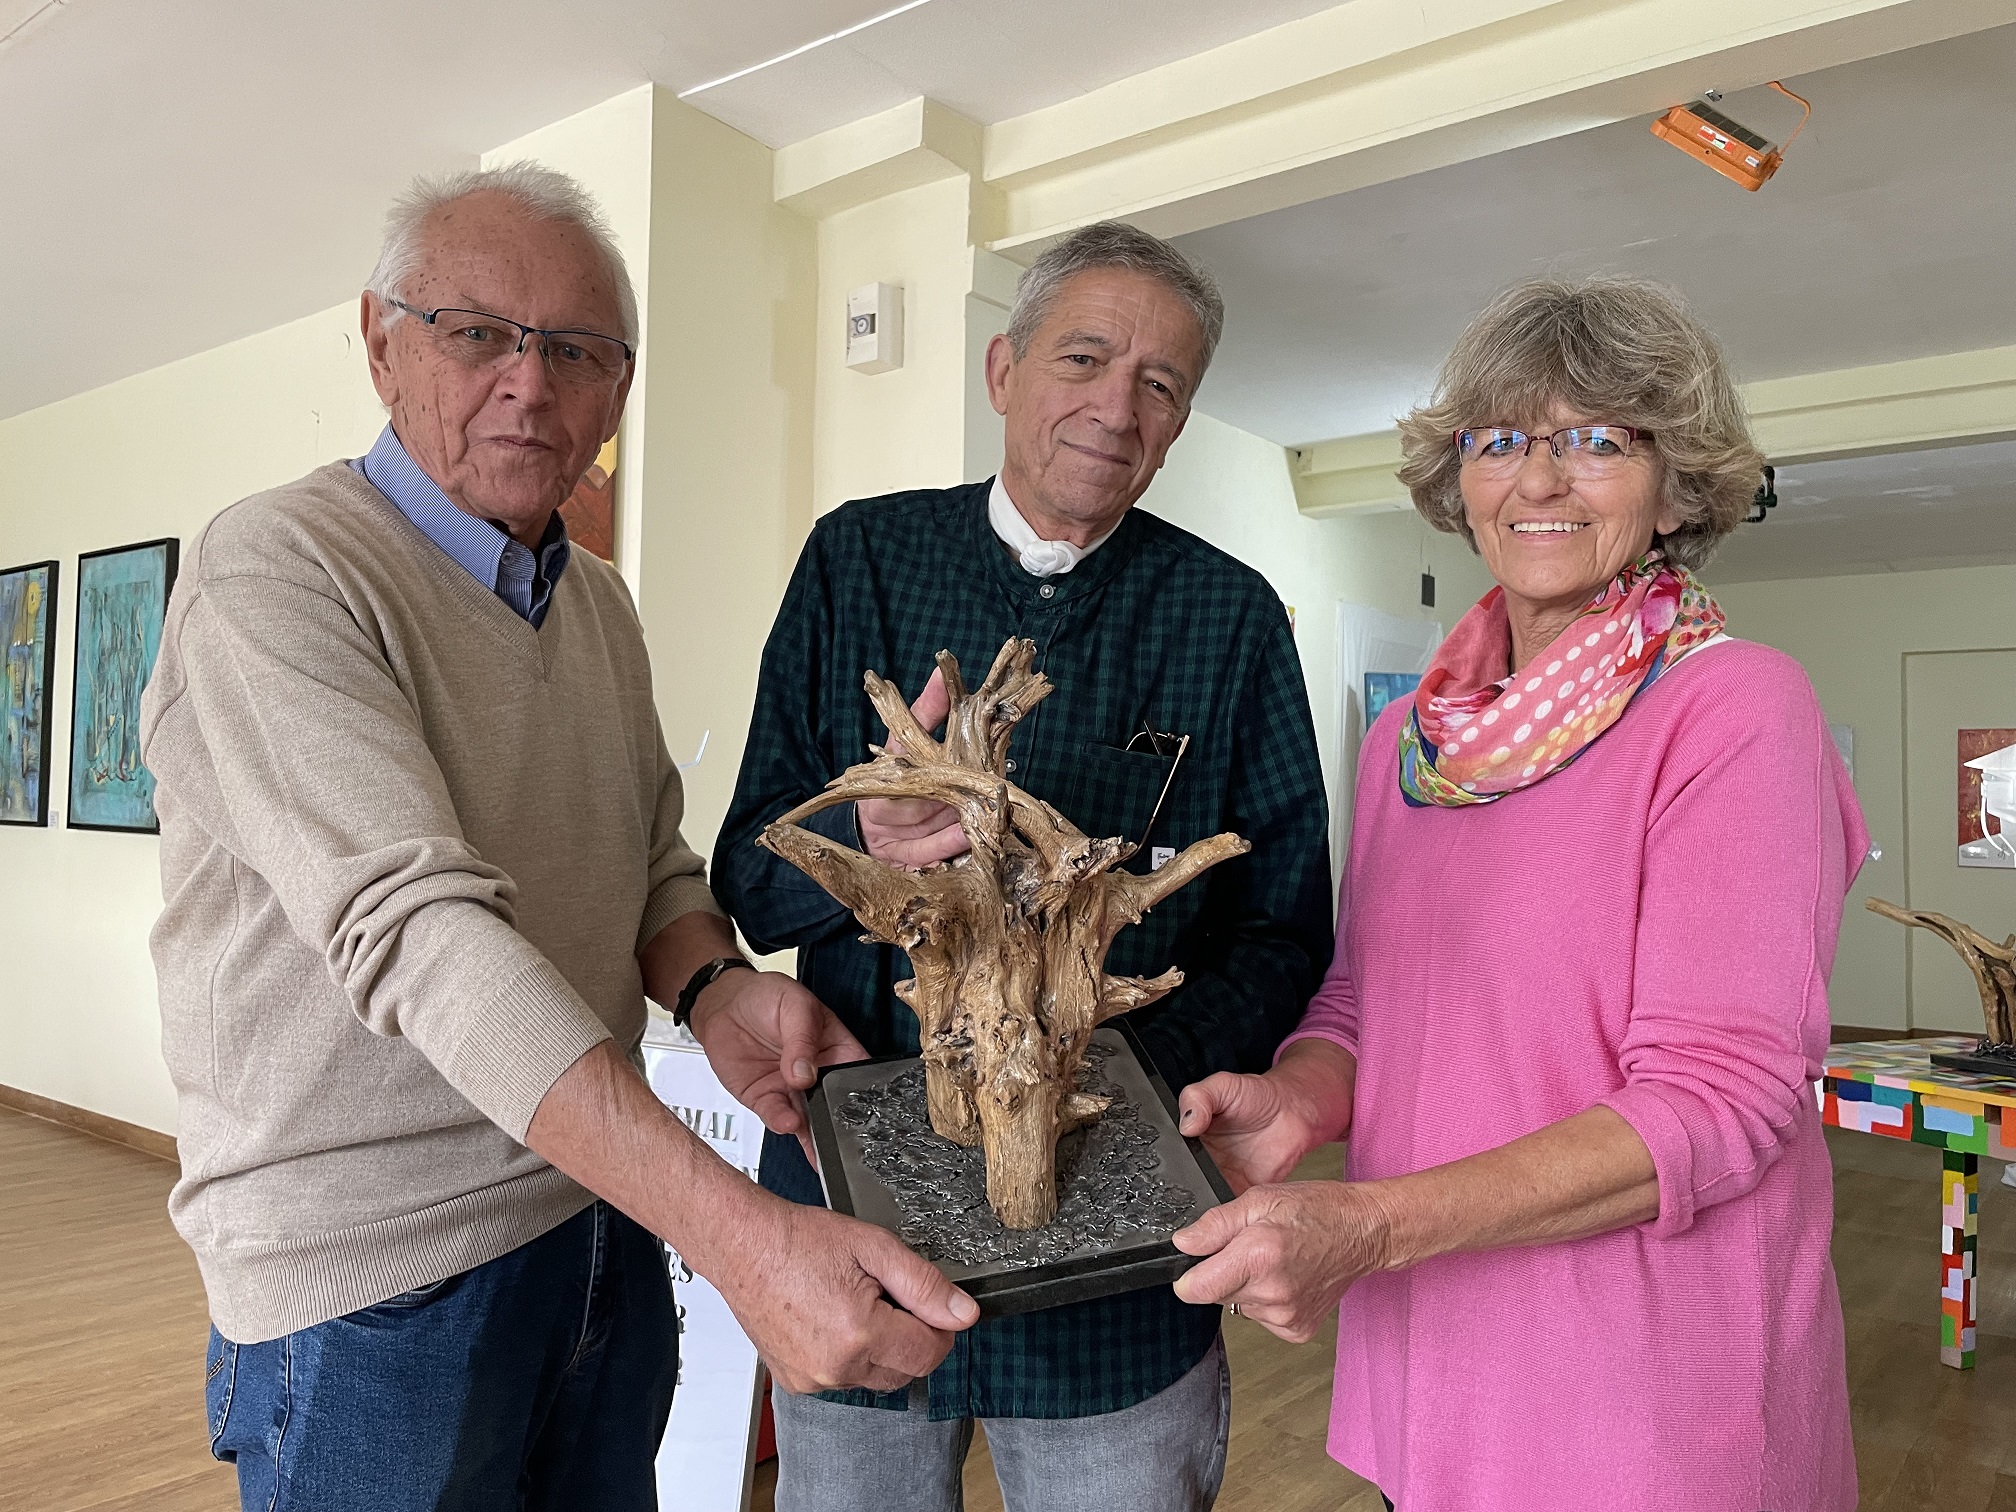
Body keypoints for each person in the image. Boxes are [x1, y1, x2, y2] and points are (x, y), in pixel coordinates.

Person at [138, 163, 974, 1512]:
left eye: (577, 350)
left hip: (593, 1227)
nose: (530, 383)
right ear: (379, 342)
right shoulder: (276, 573)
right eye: (477, 333)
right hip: (371, 1283)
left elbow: (649, 859)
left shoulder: (597, 605)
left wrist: (715, 986)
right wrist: (740, 1235)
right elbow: (417, 933)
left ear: (618, 391)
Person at [1172, 277, 1866, 1511]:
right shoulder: (1412, 742)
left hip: (1640, 1403)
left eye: (1598, 440)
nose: (1540, 481)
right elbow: (1368, 1002)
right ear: (1461, 478)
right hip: (1431, 1373)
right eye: (1502, 440)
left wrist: (1371, 1227)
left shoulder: (1736, 707)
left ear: (1676, 484)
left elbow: (1721, 1100)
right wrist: (1296, 1099)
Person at [711, 221, 1334, 1512]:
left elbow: (1284, 927)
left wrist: (1101, 1064)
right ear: (1002, 370)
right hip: (854, 1213)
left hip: (1115, 1243)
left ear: (1180, 425)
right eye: (1085, 358)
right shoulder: (857, 559)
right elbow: (746, 866)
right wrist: (863, 845)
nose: (1116, 407)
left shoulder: (1231, 620)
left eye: (1160, 386)